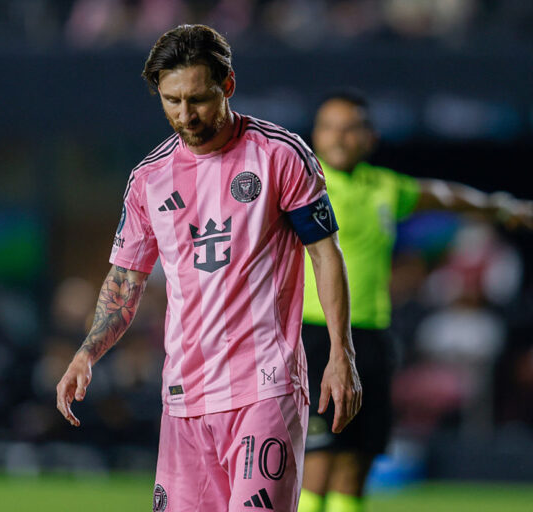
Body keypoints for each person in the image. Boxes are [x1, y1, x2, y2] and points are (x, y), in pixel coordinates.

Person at [55, 25, 362, 512]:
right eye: (172, 100)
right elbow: (126, 279)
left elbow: (326, 253)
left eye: (197, 99)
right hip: (184, 397)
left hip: (266, 386)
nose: (185, 115)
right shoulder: (149, 179)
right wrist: (87, 353)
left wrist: (341, 353)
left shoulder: (279, 155)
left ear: (228, 85)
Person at [298, 91, 533, 512]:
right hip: (315, 335)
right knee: (317, 460)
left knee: (357, 462)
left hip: (371, 337)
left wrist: (499, 207)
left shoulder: (385, 187)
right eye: (329, 127)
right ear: (316, 135)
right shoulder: (302, 185)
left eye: (350, 128)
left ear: (370, 137)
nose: (338, 137)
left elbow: (444, 196)